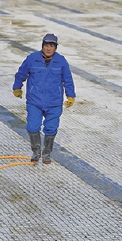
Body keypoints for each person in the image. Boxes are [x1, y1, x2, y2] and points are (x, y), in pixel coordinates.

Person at [12, 34, 75, 164]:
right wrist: (17, 87)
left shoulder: (61, 61)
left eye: (52, 46)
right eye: (46, 45)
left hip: (54, 102)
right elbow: (21, 73)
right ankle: (36, 151)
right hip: (35, 101)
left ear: (55, 48)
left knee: (51, 128)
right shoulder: (32, 59)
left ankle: (47, 153)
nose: (48, 48)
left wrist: (71, 95)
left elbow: (68, 79)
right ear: (42, 46)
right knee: (32, 127)